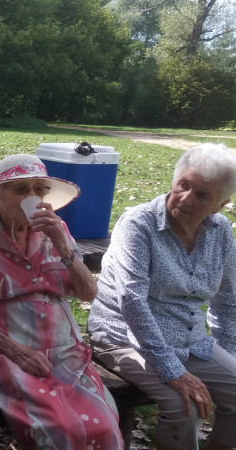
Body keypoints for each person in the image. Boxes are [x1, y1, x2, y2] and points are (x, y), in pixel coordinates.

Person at [0, 154, 123, 449]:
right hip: (4, 349)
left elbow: (88, 292)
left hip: (65, 348)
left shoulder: (58, 229)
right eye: (21, 189)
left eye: (39, 189)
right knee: (59, 429)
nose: (33, 196)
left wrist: (62, 246)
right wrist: (17, 352)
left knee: (103, 425)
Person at [88, 143, 236, 450]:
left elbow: (228, 300)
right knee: (187, 409)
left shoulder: (220, 231)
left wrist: (229, 357)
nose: (185, 198)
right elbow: (133, 303)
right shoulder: (139, 224)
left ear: (220, 205)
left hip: (191, 339)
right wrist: (172, 369)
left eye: (203, 195)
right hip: (122, 337)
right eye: (184, 184)